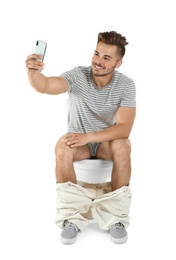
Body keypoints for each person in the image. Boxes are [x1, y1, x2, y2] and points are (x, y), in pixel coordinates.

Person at [25, 31, 136, 245]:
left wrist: (90, 136)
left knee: (123, 146)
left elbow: (124, 128)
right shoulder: (78, 75)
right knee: (62, 147)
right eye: (97, 54)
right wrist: (33, 73)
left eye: (106, 58)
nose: (98, 61)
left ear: (118, 63)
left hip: (105, 144)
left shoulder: (126, 85)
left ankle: (116, 218)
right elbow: (46, 86)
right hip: (79, 143)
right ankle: (71, 218)